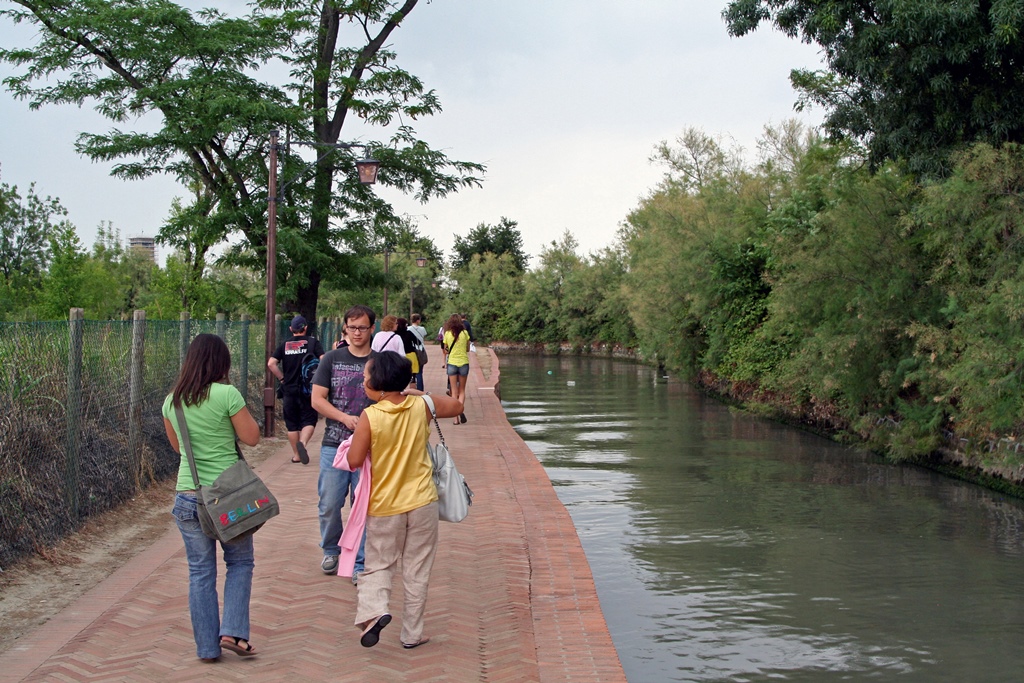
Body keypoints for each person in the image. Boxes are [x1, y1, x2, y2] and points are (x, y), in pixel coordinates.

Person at [343, 352, 464, 649]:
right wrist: (418, 392)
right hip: (423, 501)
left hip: (385, 506)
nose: (363, 379)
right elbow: (457, 406)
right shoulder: (421, 406)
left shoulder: (370, 417)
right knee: (417, 568)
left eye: (367, 375)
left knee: (379, 564)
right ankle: (412, 634)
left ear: (379, 383)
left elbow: (354, 460)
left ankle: (375, 613)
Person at [161, 333, 262, 661]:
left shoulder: (172, 401)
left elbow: (178, 448)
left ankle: (206, 648)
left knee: (200, 572)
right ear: (222, 363)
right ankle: (233, 632)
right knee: (240, 561)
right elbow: (252, 438)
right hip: (228, 496)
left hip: (188, 497)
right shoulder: (227, 394)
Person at [310, 305, 377, 580]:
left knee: (363, 506)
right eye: (352, 327)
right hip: (334, 444)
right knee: (329, 502)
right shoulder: (331, 359)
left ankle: (360, 564)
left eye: (362, 327)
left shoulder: (380, 361)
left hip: (371, 447)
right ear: (345, 329)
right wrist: (344, 418)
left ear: (372, 328)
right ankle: (331, 549)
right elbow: (317, 399)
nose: (357, 332)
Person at [268, 315, 324, 464]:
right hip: (308, 389)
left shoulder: (284, 344)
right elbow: (324, 360)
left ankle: (296, 455)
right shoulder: (312, 342)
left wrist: (282, 378)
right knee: (309, 420)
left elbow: (271, 363)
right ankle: (303, 443)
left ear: (291, 329)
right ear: (305, 328)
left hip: (289, 389)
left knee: (292, 424)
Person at [442, 314, 471, 425]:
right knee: (462, 391)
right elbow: (467, 348)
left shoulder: (448, 334)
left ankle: (455, 418)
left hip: (452, 363)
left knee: (454, 392)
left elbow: (445, 350)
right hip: (463, 362)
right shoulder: (465, 333)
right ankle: (460, 410)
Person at [396, 317, 420, 388]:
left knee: (399, 377)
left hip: (399, 358)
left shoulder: (395, 335)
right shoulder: (409, 333)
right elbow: (417, 342)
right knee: (412, 378)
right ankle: (412, 395)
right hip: (411, 356)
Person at [408, 314, 428, 391]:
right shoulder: (422, 329)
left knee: (412, 371)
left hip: (412, 351)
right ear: (418, 320)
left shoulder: (408, 329)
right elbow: (423, 337)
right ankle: (420, 389)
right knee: (419, 372)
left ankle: (412, 388)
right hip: (420, 350)